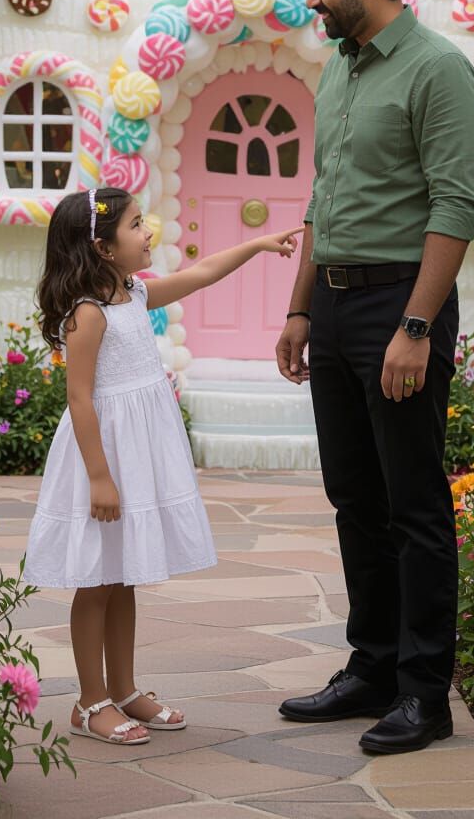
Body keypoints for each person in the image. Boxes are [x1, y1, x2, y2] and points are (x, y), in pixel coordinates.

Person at [275, 0, 474, 755]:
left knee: (415, 505)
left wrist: (416, 326)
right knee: (354, 498)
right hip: (333, 304)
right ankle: (371, 668)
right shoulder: (342, 66)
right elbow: (324, 201)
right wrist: (298, 308)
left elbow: (456, 206)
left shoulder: (438, 70)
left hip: (402, 304)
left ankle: (423, 692)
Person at [24, 186, 301, 745]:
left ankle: (123, 689)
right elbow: (80, 399)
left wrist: (257, 243)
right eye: (135, 225)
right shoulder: (89, 313)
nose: (148, 231)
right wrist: (100, 477)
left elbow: (200, 274)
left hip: (138, 455)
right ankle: (89, 700)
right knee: (95, 581)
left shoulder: (132, 293)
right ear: (102, 247)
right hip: (103, 458)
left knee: (123, 575)